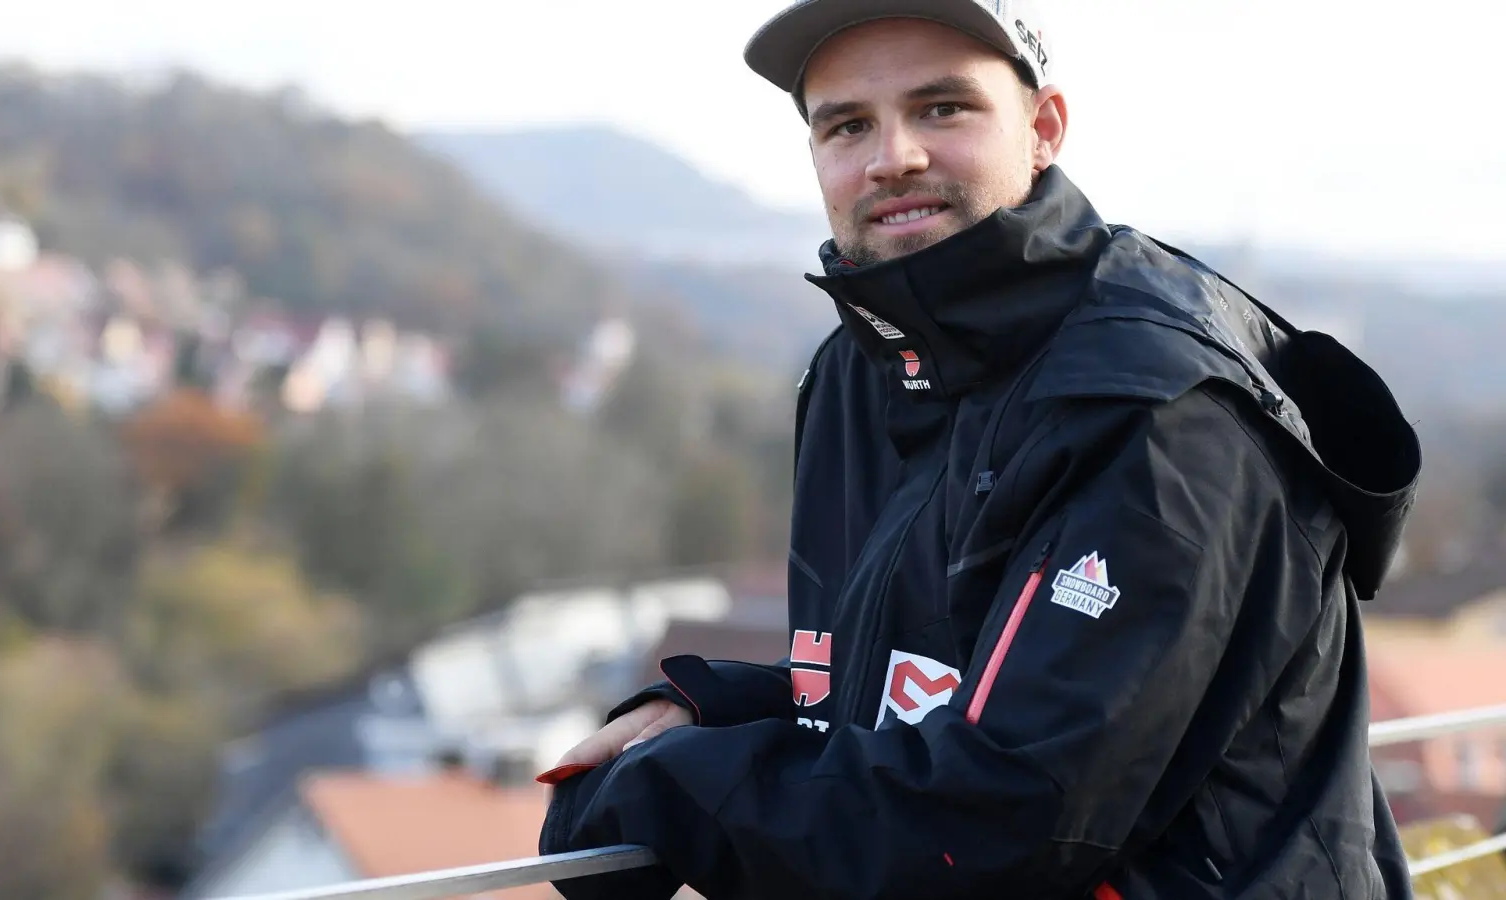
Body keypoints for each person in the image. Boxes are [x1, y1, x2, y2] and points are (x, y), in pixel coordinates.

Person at [536, 1, 1423, 897]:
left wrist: (671, 791)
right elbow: (930, 670)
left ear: (1043, 130)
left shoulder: (1157, 408)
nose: (893, 157)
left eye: (942, 108)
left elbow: (999, 821)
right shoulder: (862, 369)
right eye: (848, 124)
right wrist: (716, 708)